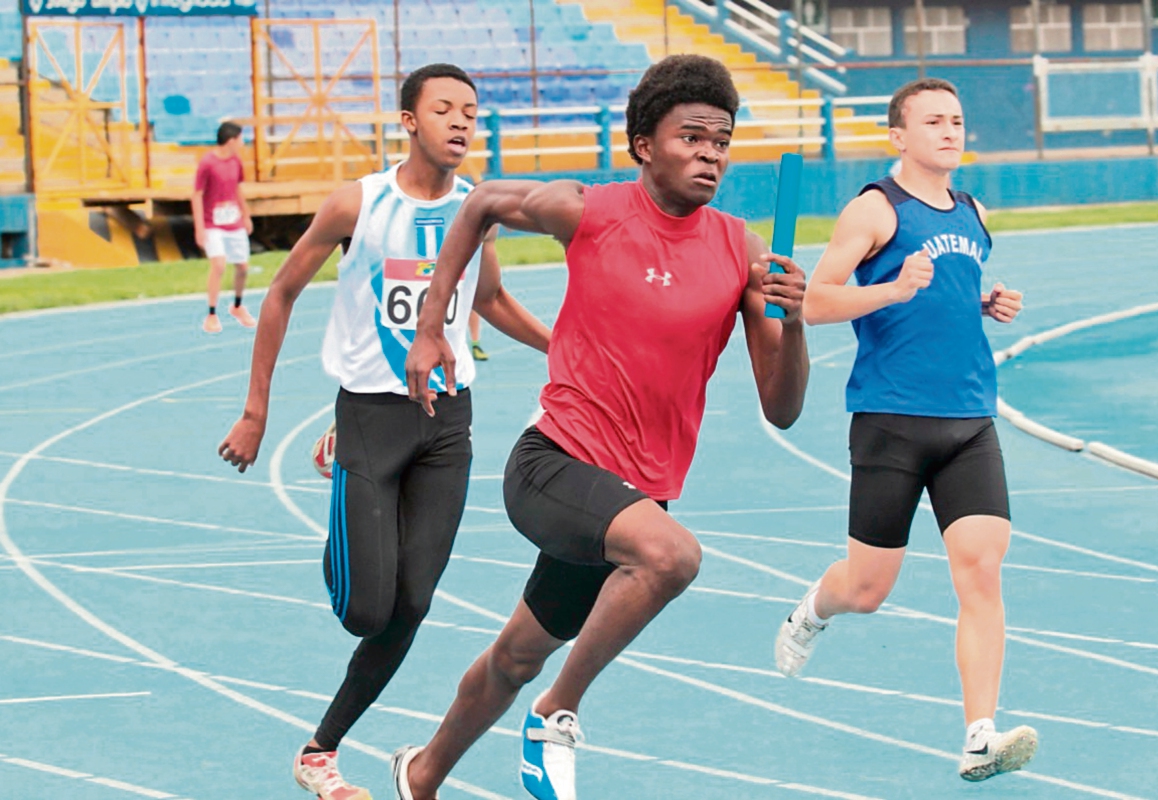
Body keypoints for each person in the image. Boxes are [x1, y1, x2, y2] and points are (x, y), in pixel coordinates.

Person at [393, 54, 811, 800]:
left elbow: (782, 407)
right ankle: (557, 714)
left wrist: (796, 319)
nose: (710, 153)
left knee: (516, 657)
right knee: (672, 558)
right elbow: (483, 200)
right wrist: (432, 328)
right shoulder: (590, 210)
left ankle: (420, 775)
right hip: (554, 463)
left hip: (637, 492)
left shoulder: (742, 249)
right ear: (644, 145)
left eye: (722, 140)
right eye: (691, 136)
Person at [216, 63, 552, 800]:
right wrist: (255, 411)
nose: (462, 123)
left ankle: (320, 752)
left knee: (414, 605)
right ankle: (342, 466)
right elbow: (280, 295)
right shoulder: (357, 204)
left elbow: (490, 300)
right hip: (369, 414)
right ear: (408, 121)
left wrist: (563, 347)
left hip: (446, 424)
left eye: (471, 112)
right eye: (444, 110)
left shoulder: (477, 207)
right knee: (366, 608)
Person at [771, 77, 1035, 782]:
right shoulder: (874, 209)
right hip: (892, 420)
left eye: (956, 119)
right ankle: (811, 611)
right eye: (933, 122)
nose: (951, 132)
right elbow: (816, 303)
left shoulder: (973, 211)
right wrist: (890, 289)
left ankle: (979, 734)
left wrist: (981, 301)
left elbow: (938, 294)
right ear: (898, 137)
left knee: (982, 569)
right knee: (867, 588)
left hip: (971, 419)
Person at [193, 121, 257, 334]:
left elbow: (237, 189)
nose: (243, 142)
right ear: (231, 140)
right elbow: (197, 195)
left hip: (234, 222)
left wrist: (246, 215)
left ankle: (237, 306)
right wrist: (199, 227)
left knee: (242, 267)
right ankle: (211, 313)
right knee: (219, 265)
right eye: (240, 139)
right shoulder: (207, 163)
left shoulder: (236, 162)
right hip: (213, 224)